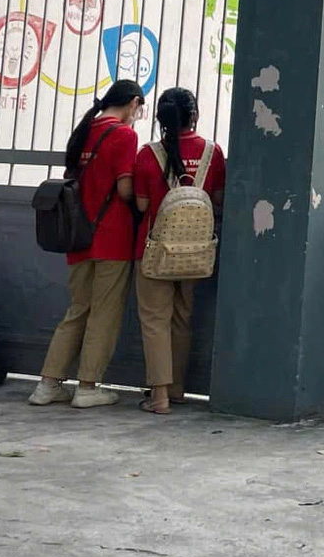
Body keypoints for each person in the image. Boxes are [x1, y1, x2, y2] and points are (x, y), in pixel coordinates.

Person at [29, 79, 146, 409]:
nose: (138, 116)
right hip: (112, 237)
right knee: (104, 314)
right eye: (140, 109)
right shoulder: (124, 135)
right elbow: (125, 190)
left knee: (77, 310)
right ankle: (88, 387)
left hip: (77, 235)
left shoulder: (85, 129)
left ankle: (47, 385)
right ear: (134, 103)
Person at [132, 88, 225, 415]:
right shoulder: (213, 152)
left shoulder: (147, 155)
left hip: (155, 251)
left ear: (161, 119)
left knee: (155, 321)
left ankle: (158, 396)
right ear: (194, 116)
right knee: (183, 319)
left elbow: (141, 204)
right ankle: (177, 389)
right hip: (196, 252)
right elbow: (217, 199)